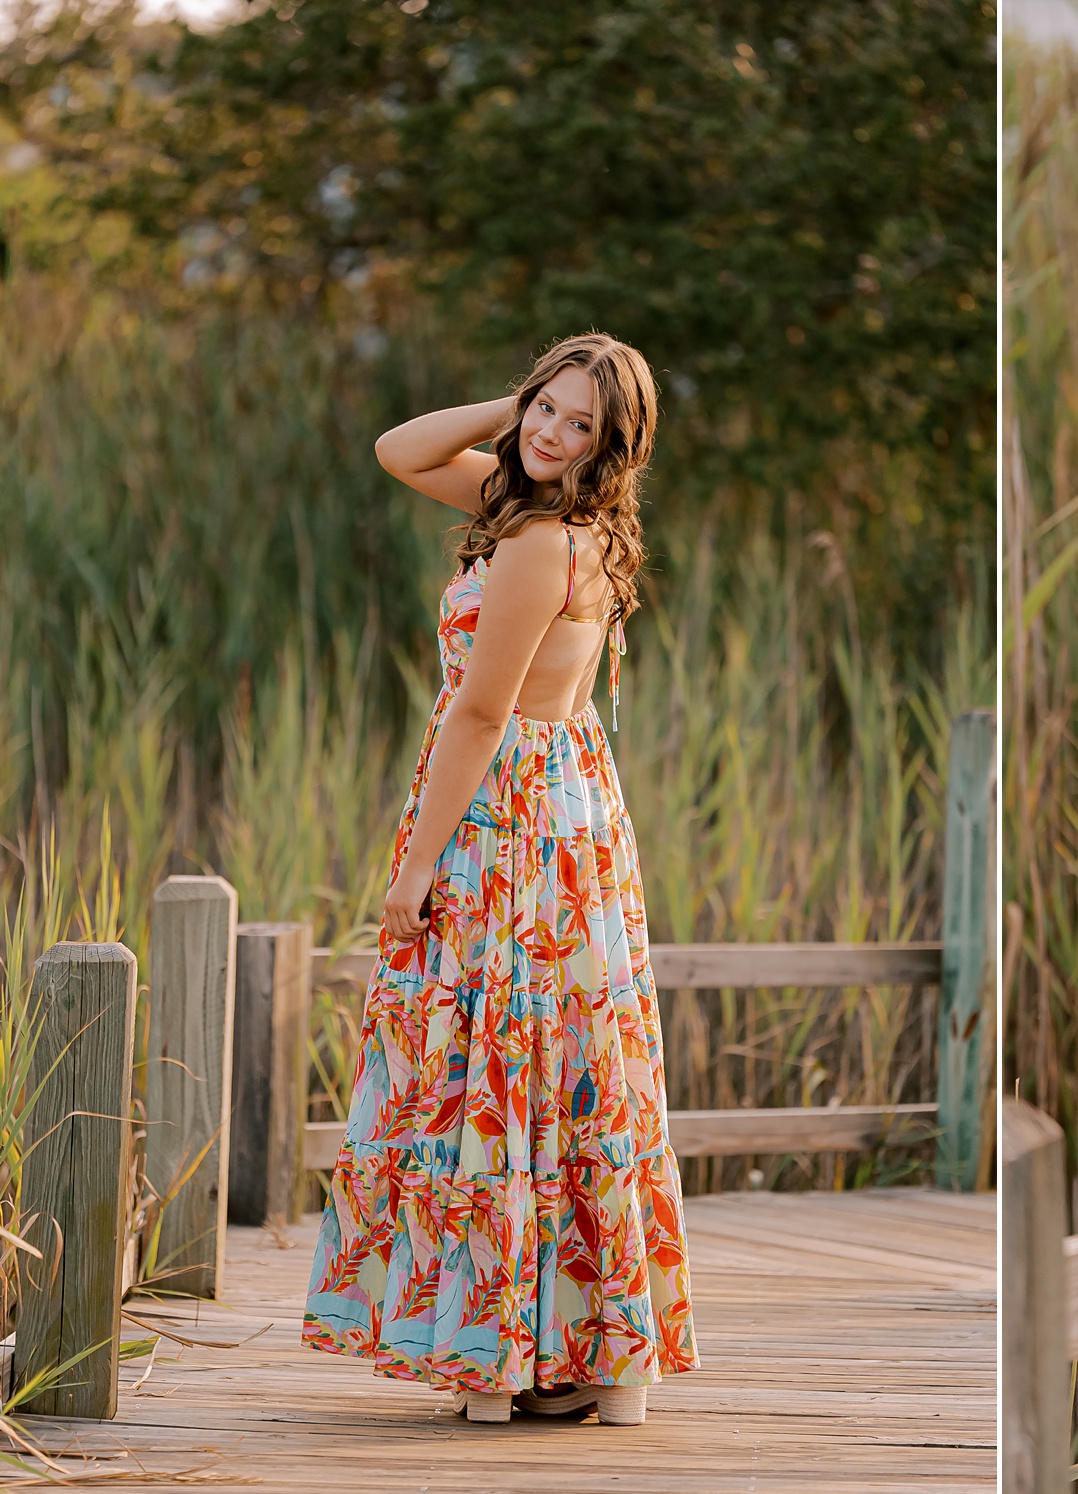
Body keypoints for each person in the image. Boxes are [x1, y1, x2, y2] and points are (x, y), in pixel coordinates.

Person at [301, 332, 697, 1426]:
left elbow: (481, 711)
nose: (551, 434)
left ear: (610, 448)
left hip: (507, 818)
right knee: (564, 1061)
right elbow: (399, 449)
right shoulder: (569, 524)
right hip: (566, 809)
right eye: (547, 410)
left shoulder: (537, 546)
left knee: (502, 1062)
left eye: (581, 426)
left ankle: (514, 1350)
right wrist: (518, 413)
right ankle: (585, 1353)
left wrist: (417, 866)